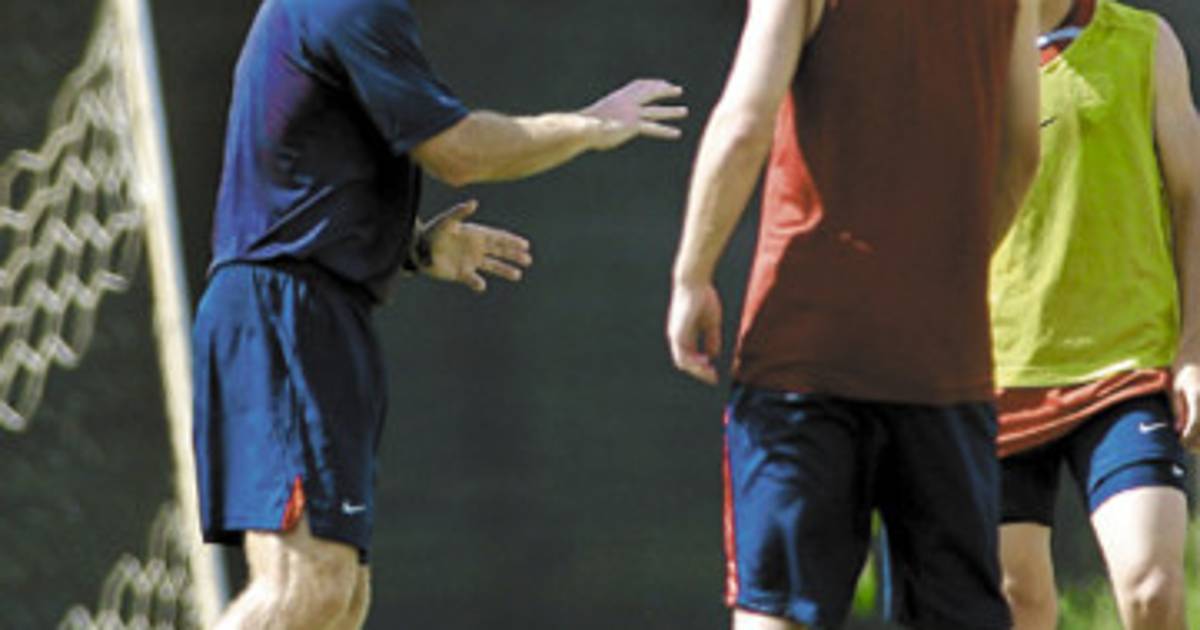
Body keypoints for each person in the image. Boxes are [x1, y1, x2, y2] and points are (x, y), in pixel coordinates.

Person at [191, 0, 686, 627]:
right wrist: (587, 124)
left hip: (311, 313)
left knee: (340, 599)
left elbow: (302, 176)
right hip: (283, 317)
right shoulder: (349, 4)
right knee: (308, 586)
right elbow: (460, 152)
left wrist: (413, 246)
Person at [666, 0, 1040, 627]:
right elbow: (1023, 149)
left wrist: (691, 277)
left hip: (805, 353)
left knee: (777, 607)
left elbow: (744, 123)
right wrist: (946, 275)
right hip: (944, 358)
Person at [990, 1, 1200, 628]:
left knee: (1151, 587)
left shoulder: (1143, 42)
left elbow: (1194, 199)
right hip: (992, 376)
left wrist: (1194, 350)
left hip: (1125, 370)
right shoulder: (958, 52)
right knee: (1016, 601)